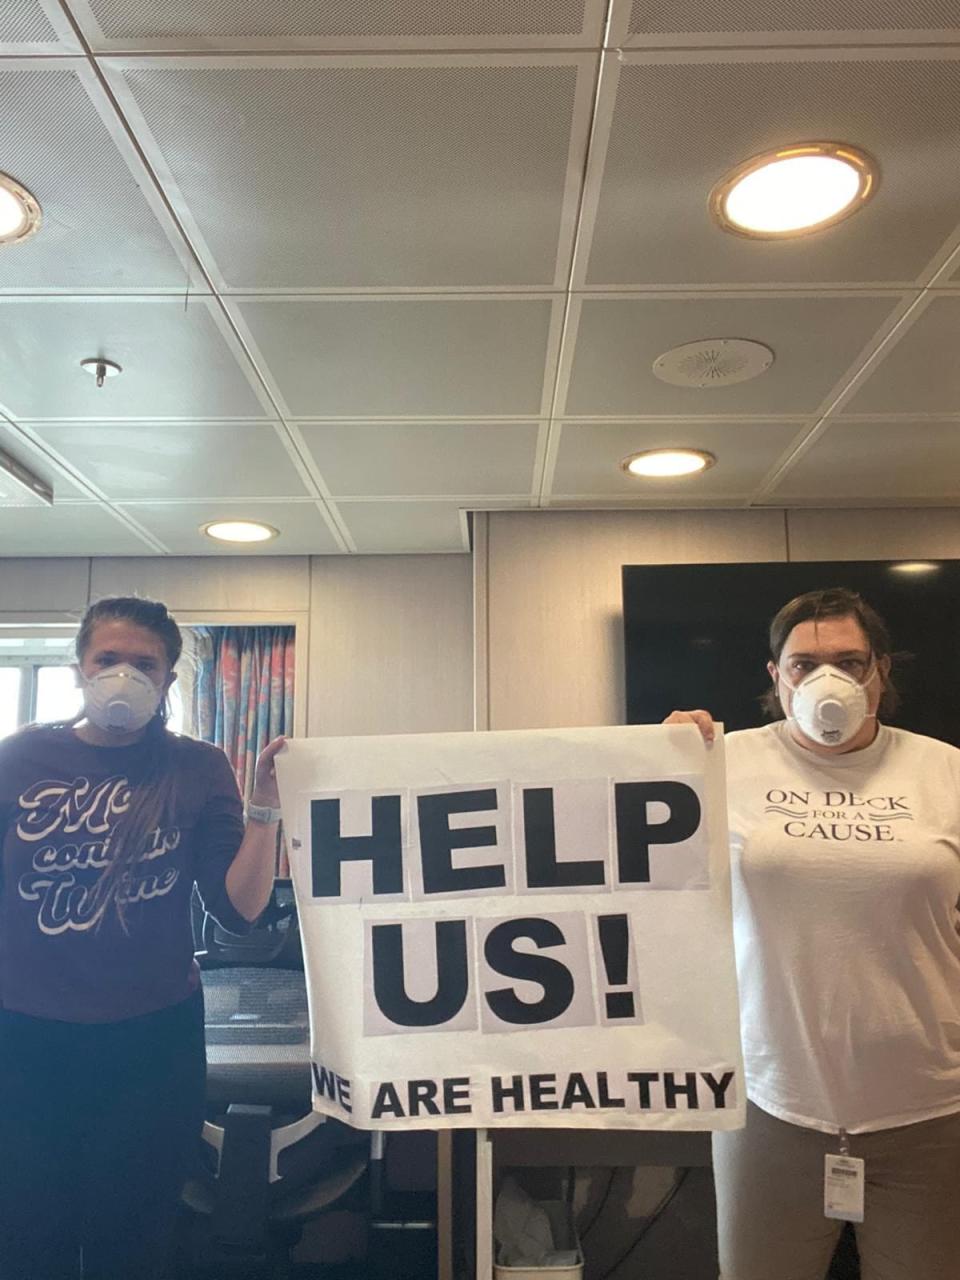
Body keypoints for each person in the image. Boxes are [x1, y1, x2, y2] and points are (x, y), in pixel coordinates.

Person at [666, 586, 960, 1280]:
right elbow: (631, 877)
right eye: (803, 664)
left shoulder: (946, 773)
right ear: (777, 677)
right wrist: (656, 761)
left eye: (850, 661)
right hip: (771, 1107)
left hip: (929, 1112)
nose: (827, 680)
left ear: (882, 670)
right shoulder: (721, 765)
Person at [0, 596, 286, 1280]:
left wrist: (266, 808)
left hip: (151, 1042)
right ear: (80, 668)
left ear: (166, 680)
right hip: (25, 1036)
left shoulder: (197, 766)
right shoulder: (19, 759)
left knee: (132, 1237)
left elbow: (239, 908)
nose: (123, 674)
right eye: (108, 659)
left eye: (143, 663)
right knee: (26, 1230)